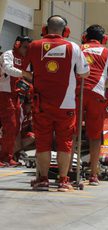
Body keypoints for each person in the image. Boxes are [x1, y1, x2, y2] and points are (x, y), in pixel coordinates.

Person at [23, 15, 89, 191]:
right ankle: (63, 181)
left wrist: (40, 77)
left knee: (42, 142)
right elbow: (84, 73)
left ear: (45, 29)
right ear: (65, 31)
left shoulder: (34, 45)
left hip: (41, 103)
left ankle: (43, 179)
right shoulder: (73, 47)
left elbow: (26, 72)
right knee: (65, 142)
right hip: (66, 104)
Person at [76, 24, 108, 185]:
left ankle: (67, 173)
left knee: (70, 132)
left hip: (76, 92)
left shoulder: (77, 48)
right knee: (95, 136)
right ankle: (93, 174)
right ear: (104, 39)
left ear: (84, 37)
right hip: (97, 95)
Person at [0, 36, 32, 167]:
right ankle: (3, 157)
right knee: (10, 125)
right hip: (4, 94)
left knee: (16, 127)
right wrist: (24, 74)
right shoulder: (8, 54)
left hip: (16, 95)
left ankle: (8, 157)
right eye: (25, 47)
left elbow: (30, 75)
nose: (27, 50)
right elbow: (7, 68)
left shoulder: (26, 59)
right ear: (18, 44)